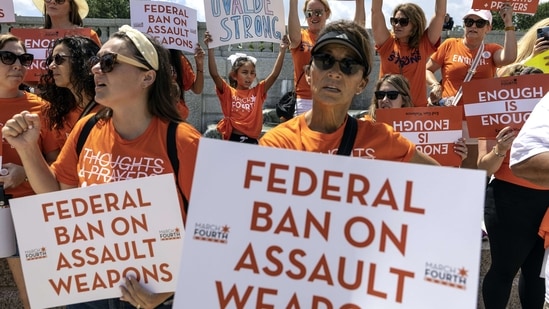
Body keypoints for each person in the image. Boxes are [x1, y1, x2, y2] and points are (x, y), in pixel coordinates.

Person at [2, 25, 201, 309]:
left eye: (108, 63)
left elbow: (215, 231)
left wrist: (170, 290)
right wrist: (26, 147)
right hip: (89, 290)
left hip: (155, 294)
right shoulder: (88, 128)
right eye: (97, 61)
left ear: (147, 77)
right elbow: (58, 197)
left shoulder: (183, 141)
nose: (96, 69)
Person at [259, 19, 439, 166]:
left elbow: (441, 181)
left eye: (349, 65)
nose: (335, 72)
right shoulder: (278, 144)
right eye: (325, 59)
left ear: (362, 84)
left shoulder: (383, 139)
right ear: (307, 73)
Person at [476, 65, 549, 309]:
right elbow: (484, 168)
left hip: (546, 202)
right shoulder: (494, 117)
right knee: (504, 270)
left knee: (536, 273)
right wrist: (501, 149)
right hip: (508, 201)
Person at [0, 33, 59, 309]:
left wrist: (24, 172)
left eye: (23, 58)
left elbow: (57, 166)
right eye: (7, 57)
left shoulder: (41, 109)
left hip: (27, 210)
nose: (17, 64)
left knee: (35, 300)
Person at [426, 7, 517, 170]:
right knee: (444, 167)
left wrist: (508, 22)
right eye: (469, 22)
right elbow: (427, 69)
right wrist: (434, 85)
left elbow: (509, 57)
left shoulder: (491, 50)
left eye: (479, 23)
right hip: (449, 117)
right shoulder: (449, 45)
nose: (473, 26)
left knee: (471, 169)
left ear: (488, 28)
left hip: (476, 122)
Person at [204, 32, 289, 144]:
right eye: (244, 72)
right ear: (234, 75)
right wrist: (210, 49)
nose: (249, 76)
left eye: (252, 73)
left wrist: (282, 50)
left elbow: (274, 75)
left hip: (252, 141)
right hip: (233, 141)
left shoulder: (258, 91)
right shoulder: (228, 92)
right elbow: (214, 75)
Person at [367, 73, 468, 163]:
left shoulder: (419, 127)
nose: (384, 100)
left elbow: (434, 165)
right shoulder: (366, 127)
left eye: (392, 95)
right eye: (380, 95)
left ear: (403, 99)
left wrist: (456, 155)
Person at [288, 0, 365, 115]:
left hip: (332, 98)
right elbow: (293, 39)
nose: (313, 16)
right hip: (305, 101)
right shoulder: (300, 37)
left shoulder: (334, 37)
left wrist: (360, 3)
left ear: (327, 13)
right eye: (309, 13)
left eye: (318, 12)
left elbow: (356, 34)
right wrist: (293, 3)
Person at [371, 0, 446, 107]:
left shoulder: (423, 44)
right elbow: (376, 11)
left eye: (403, 22)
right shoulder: (386, 43)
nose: (397, 25)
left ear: (415, 25)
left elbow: (440, 15)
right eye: (394, 21)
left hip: (416, 111)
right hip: (387, 108)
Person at [38, 35, 101, 149]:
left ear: (83, 62)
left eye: (58, 59)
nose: (52, 66)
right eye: (51, 60)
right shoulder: (59, 112)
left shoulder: (109, 111)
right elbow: (58, 163)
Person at [31, 0, 101, 46]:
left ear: (72, 6)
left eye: (60, 0)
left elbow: (100, 66)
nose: (52, 1)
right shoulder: (32, 37)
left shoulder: (89, 36)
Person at [169, 45, 205, 121]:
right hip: (154, 115)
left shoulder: (179, 58)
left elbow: (197, 89)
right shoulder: (148, 56)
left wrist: (200, 65)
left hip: (176, 115)